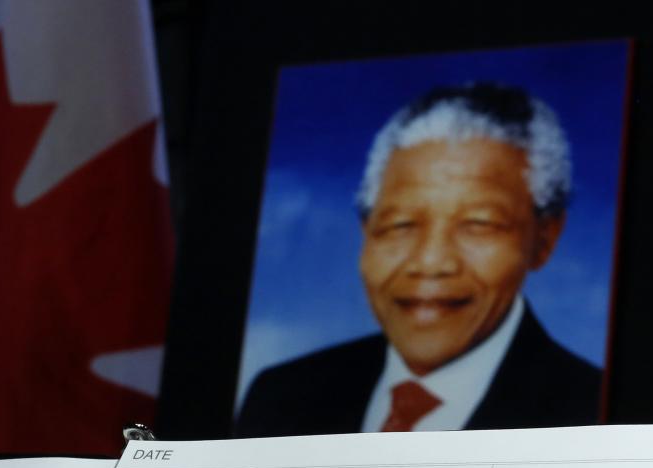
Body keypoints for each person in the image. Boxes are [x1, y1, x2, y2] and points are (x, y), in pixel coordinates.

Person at [236, 82, 601, 437]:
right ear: (367, 231)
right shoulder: (280, 397)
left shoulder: (595, 412)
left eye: (478, 224)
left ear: (544, 240)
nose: (429, 262)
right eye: (400, 225)